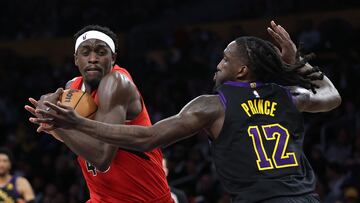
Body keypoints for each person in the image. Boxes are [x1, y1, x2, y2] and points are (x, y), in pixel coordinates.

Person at [29, 22, 341, 202]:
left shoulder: (214, 104)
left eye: (225, 59)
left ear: (242, 70)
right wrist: (296, 61)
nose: (218, 63)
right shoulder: (290, 96)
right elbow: (330, 95)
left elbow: (148, 138)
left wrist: (73, 124)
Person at [25, 25, 173, 203]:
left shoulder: (117, 83)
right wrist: (48, 118)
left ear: (113, 58)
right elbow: (70, 137)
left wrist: (58, 124)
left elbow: (102, 158)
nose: (93, 59)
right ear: (75, 59)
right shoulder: (72, 87)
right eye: (85, 53)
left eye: (101, 52)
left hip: (146, 198)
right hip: (101, 198)